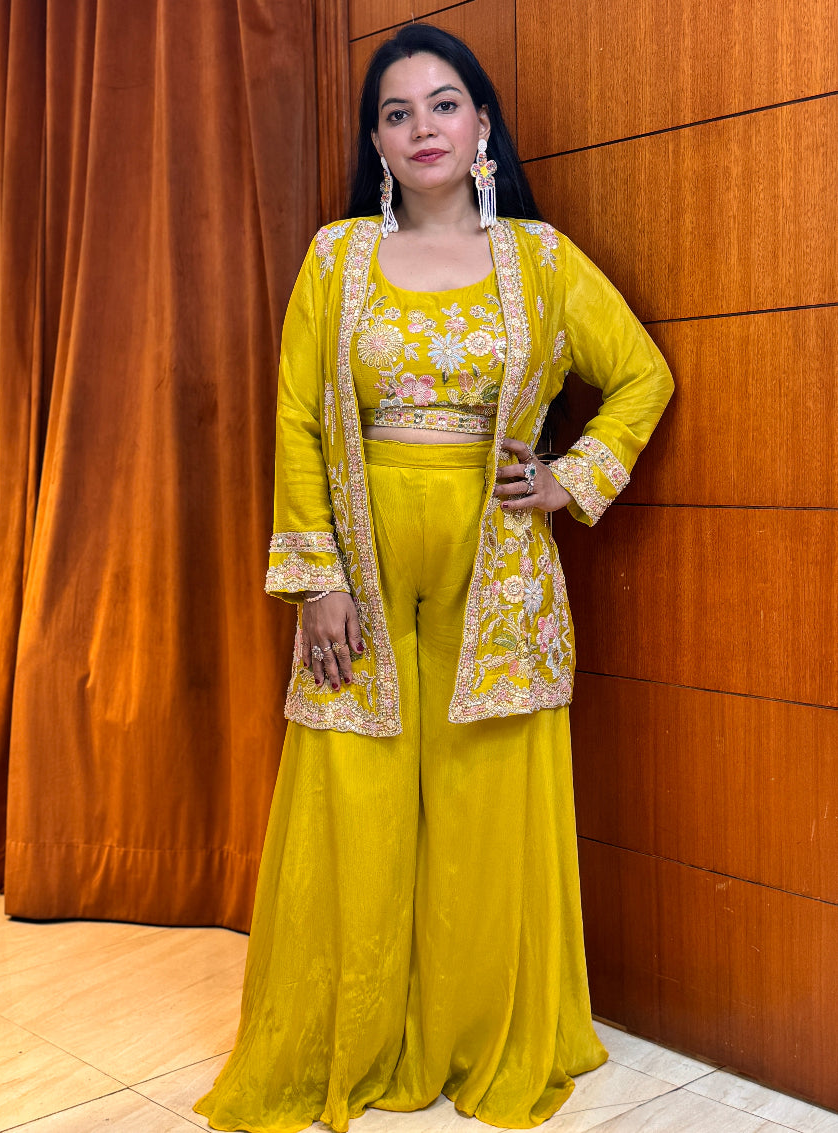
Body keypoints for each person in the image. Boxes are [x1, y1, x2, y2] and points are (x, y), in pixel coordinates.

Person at [195, 22, 673, 1133]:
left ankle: (481, 1034)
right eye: (398, 112)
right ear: (374, 138)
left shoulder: (541, 262)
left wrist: (568, 478)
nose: (422, 128)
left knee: (481, 812)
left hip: (499, 572)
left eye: (443, 104)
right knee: (353, 803)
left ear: (482, 125)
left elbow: (641, 372)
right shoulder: (336, 258)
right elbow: (302, 420)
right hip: (357, 567)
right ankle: (350, 1034)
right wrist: (315, 578)